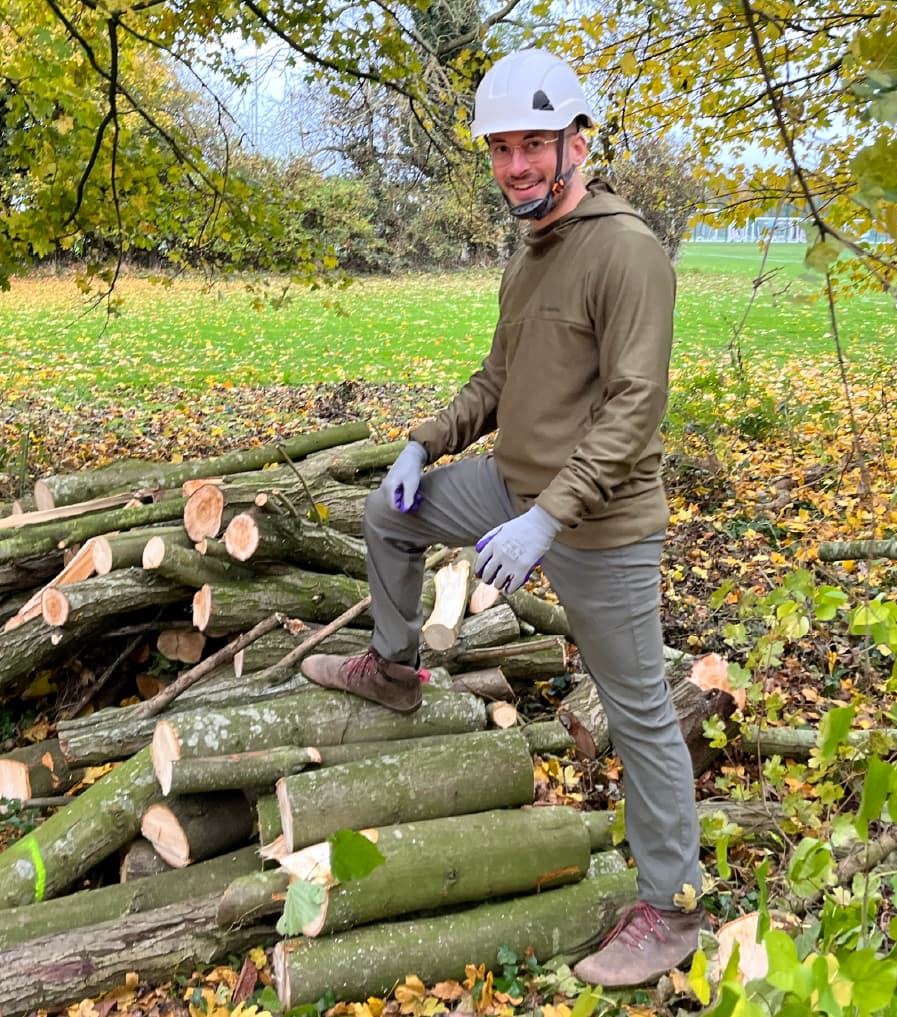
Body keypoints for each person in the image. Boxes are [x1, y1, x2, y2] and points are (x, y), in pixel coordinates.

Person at [301, 47, 703, 987]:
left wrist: (550, 521)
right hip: (509, 489)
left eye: (534, 144)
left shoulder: (627, 251)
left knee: (640, 710)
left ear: (579, 141)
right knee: (385, 516)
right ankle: (395, 668)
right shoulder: (529, 256)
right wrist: (421, 443)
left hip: (601, 522)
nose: (516, 165)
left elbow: (634, 407)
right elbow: (496, 381)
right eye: (500, 149)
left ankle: (672, 906)